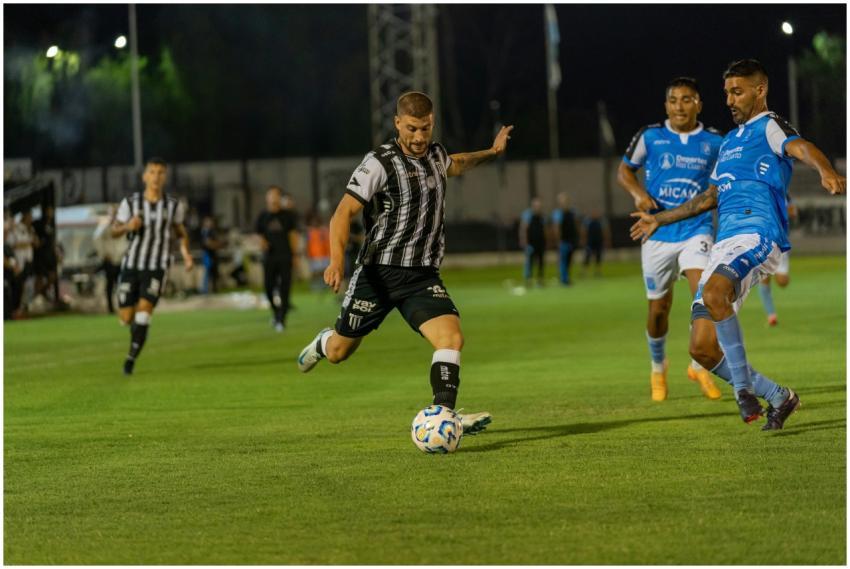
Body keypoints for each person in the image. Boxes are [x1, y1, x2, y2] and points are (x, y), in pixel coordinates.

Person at [631, 59, 845, 430]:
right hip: (724, 245)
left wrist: (825, 169)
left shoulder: (769, 126)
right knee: (700, 347)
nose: (729, 99)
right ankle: (780, 396)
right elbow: (707, 198)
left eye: (737, 91)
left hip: (758, 235)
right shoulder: (729, 142)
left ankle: (743, 392)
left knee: (714, 294)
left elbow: (801, 147)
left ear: (760, 90)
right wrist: (658, 219)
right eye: (727, 92)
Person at [296, 91, 513, 435]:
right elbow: (343, 213)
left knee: (451, 339)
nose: (419, 137)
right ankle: (323, 342)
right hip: (378, 274)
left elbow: (457, 162)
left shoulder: (436, 154)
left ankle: (443, 414)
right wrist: (336, 261)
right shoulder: (378, 163)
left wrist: (492, 151)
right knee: (340, 351)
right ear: (397, 123)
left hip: (422, 276)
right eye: (412, 128)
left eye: (425, 128)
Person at [617, 76, 724, 401]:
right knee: (659, 309)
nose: (680, 106)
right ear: (666, 105)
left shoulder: (714, 141)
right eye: (674, 100)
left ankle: (698, 366)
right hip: (658, 233)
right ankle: (658, 368)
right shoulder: (651, 137)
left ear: (698, 104)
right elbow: (625, 170)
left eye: (687, 99)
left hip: (697, 229)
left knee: (704, 294)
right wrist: (638, 194)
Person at [111, 157, 194, 376]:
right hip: (132, 265)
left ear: (165, 177)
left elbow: (180, 233)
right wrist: (129, 225)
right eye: (152, 172)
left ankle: (130, 359)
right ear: (144, 176)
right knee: (126, 317)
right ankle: (136, 331)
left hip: (158, 266)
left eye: (160, 173)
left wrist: (186, 254)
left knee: (144, 312)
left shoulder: (173, 206)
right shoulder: (130, 203)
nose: (156, 177)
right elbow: (114, 230)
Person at [255, 186, 299, 332]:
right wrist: (261, 242)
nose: (273, 198)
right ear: (267, 198)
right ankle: (276, 312)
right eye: (271, 195)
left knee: (284, 289)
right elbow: (258, 234)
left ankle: (281, 319)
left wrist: (295, 255)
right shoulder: (263, 216)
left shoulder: (287, 216)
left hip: (285, 256)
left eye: (276, 195)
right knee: (268, 288)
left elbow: (293, 236)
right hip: (269, 257)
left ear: (279, 198)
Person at [758, 198, 797, 326]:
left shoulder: (784, 194)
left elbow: (793, 212)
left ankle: (774, 270)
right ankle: (771, 315)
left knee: (782, 282)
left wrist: (779, 211)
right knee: (763, 278)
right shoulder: (758, 190)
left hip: (780, 241)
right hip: (761, 240)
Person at [550, 192, 579, 286]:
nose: (564, 202)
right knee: (563, 260)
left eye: (565, 200)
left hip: (572, 239)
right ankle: (564, 279)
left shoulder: (573, 212)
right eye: (562, 200)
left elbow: (575, 225)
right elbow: (556, 228)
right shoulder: (557, 213)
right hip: (563, 241)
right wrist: (558, 240)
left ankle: (567, 277)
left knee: (570, 260)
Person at [519, 197, 546, 287]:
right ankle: (528, 280)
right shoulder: (528, 215)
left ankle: (540, 280)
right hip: (531, 243)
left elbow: (544, 229)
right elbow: (524, 229)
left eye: (539, 206)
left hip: (540, 243)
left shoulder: (542, 216)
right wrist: (524, 241)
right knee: (529, 262)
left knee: (541, 262)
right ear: (532, 206)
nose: (538, 207)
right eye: (536, 206)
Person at [305, 211, 331, 292]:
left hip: (323, 255)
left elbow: (327, 243)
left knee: (323, 272)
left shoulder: (323, 231)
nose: (314, 223)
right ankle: (315, 287)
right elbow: (308, 244)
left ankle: (325, 286)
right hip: (314, 256)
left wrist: (329, 254)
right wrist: (308, 254)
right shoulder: (310, 232)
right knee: (315, 273)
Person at [580, 209, 611, 277]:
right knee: (587, 256)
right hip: (590, 242)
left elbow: (605, 231)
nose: (595, 214)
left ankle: (598, 272)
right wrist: (583, 240)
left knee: (598, 256)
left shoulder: (601, 221)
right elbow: (583, 231)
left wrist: (606, 240)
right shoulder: (587, 220)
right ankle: (584, 272)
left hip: (598, 241)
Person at [200, 215, 224, 295]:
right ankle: (205, 290)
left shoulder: (212, 231)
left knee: (214, 272)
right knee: (207, 272)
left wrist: (216, 244)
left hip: (213, 254)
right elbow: (208, 243)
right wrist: (216, 244)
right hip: (208, 254)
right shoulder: (205, 231)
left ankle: (213, 289)